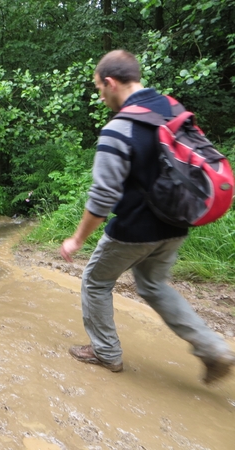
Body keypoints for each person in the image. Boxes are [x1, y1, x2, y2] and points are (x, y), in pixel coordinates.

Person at [59, 50, 235, 384]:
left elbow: (103, 197)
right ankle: (212, 347)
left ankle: (105, 352)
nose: (100, 96)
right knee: (153, 284)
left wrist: (77, 239)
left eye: (99, 88)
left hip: (134, 230)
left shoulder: (118, 129)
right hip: (178, 222)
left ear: (111, 82)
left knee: (95, 281)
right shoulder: (172, 108)